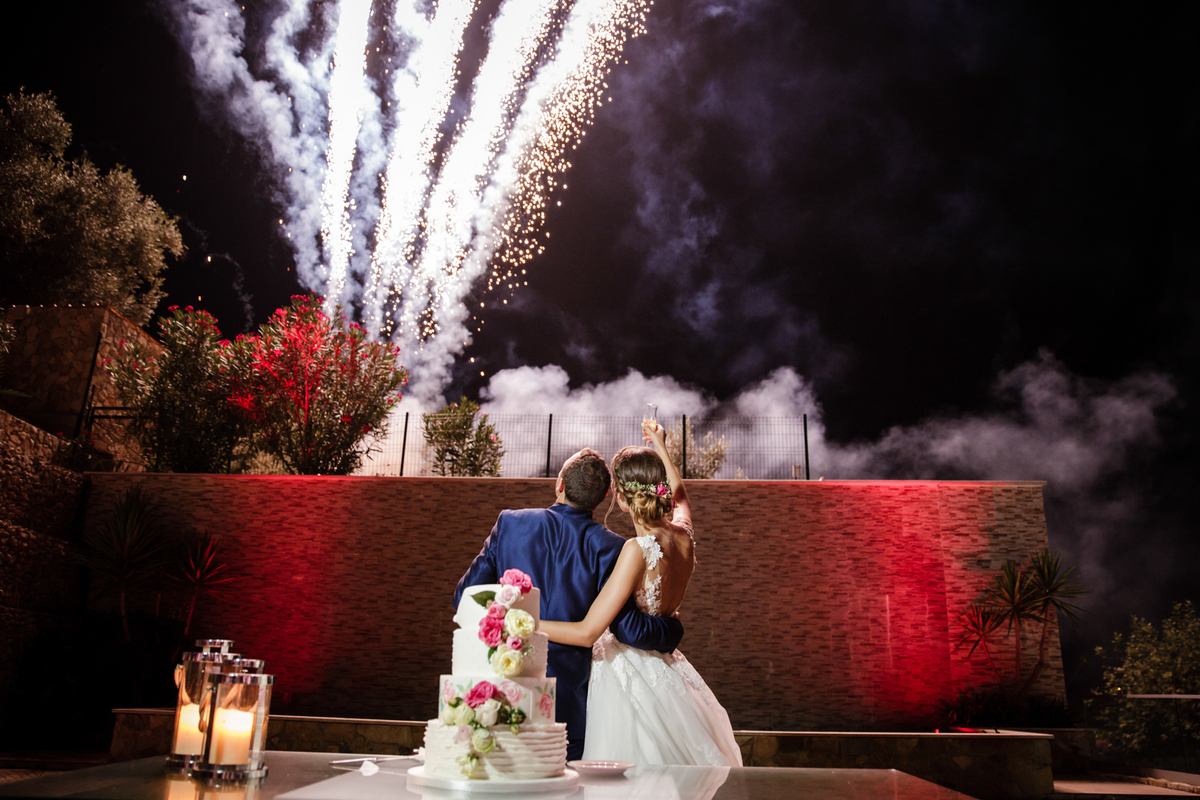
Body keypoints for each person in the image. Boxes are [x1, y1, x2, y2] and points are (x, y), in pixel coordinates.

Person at [452, 448, 684, 761]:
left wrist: (508, 617)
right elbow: (629, 629)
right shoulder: (613, 546)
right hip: (571, 701)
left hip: (498, 689)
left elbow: (465, 599)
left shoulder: (510, 524)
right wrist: (672, 627)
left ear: (560, 483)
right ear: (603, 496)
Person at [539, 421, 742, 766]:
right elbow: (681, 496)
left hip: (626, 675)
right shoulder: (683, 536)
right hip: (669, 669)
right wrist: (662, 445)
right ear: (659, 489)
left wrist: (526, 621)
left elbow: (588, 631)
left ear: (618, 496)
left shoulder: (637, 550)